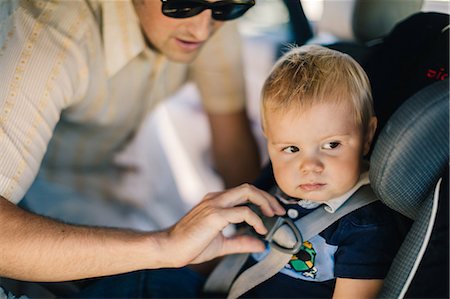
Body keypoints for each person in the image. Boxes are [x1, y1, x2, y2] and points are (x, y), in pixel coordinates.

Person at [0, 0, 286, 296]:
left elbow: (233, 147)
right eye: (181, 5)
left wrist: (260, 233)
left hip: (127, 168)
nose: (202, 29)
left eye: (228, 8)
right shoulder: (47, 32)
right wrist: (164, 246)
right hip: (35, 200)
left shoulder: (209, 14)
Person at [235, 44, 411, 298]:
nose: (309, 166)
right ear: (269, 142)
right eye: (291, 148)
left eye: (331, 145)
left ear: (367, 136)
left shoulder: (364, 227)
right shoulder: (270, 191)